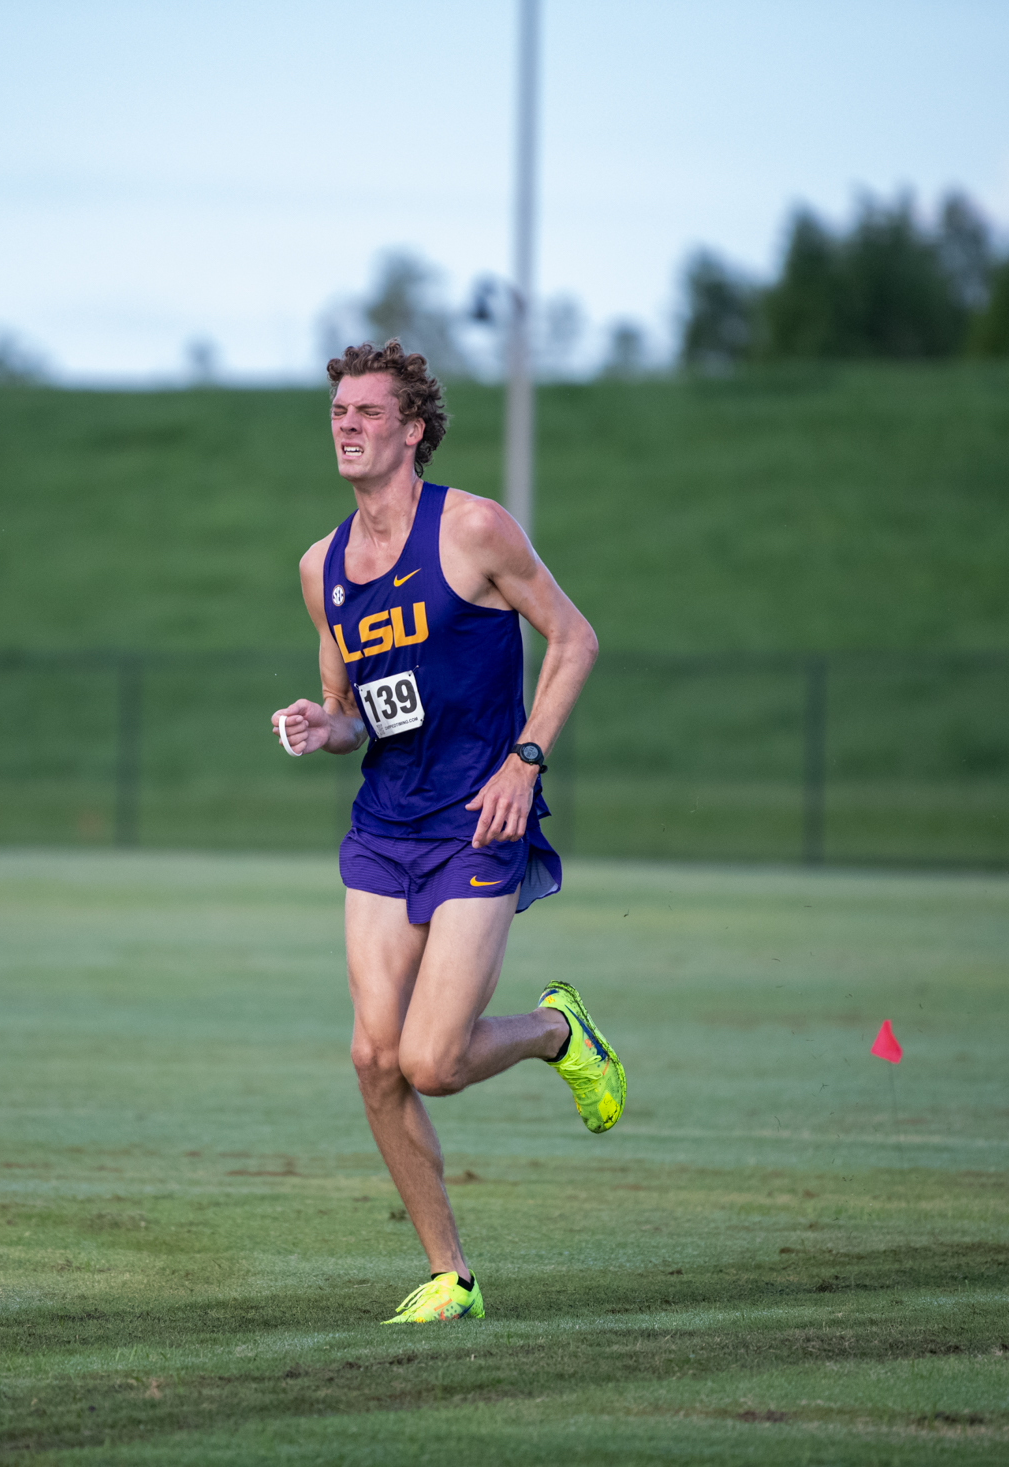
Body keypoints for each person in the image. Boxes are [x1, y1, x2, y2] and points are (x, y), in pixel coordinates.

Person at [270, 339, 624, 1325]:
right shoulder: (321, 567)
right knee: (371, 1061)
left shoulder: (472, 529)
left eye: (369, 412)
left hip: (479, 817)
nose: (346, 424)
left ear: (413, 430)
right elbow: (354, 716)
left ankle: (559, 1032)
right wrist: (318, 722)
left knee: (433, 1061)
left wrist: (527, 758)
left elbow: (575, 638)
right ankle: (450, 1277)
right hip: (385, 827)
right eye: (338, 410)